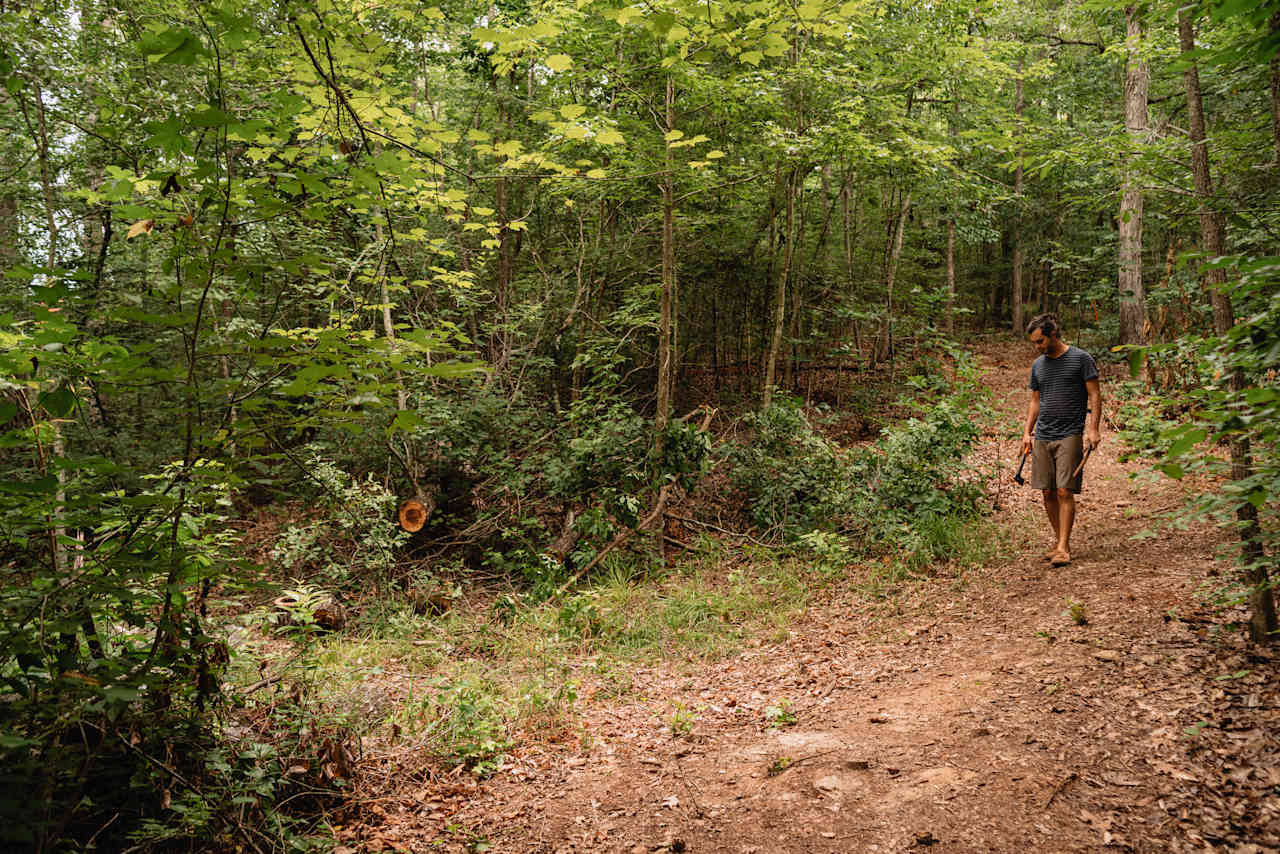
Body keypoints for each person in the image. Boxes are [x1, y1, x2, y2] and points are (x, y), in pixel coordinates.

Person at [1020, 314, 1101, 567]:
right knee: (1047, 491)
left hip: (1070, 433)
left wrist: (1094, 429)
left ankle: (1064, 547)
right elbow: (1035, 401)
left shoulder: (1081, 359)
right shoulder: (1038, 366)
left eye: (1041, 340)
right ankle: (1058, 542)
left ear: (1053, 333)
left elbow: (1095, 395)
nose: (1038, 346)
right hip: (1044, 434)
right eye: (1035, 342)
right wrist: (1026, 432)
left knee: (1065, 490)